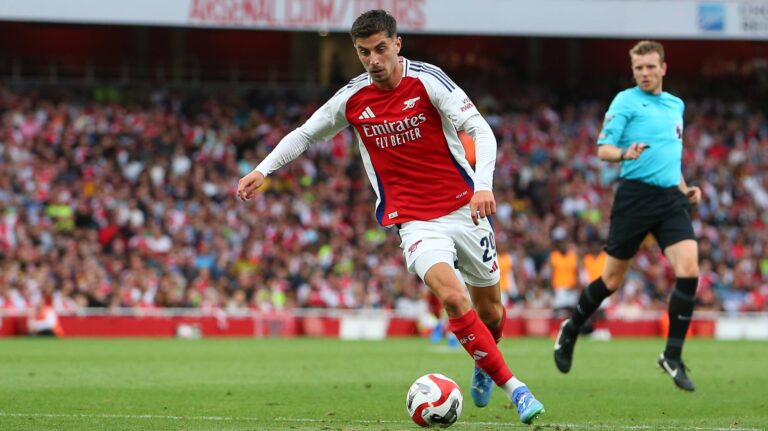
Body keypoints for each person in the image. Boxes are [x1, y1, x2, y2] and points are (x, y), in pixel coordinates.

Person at [237, 9, 544, 423]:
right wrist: (263, 169)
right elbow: (306, 133)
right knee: (452, 297)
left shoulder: (428, 81)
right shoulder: (352, 97)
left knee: (490, 312)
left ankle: (484, 359)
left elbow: (481, 130)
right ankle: (517, 389)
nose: (374, 59)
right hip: (415, 221)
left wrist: (484, 185)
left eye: (381, 48)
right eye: (365, 52)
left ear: (397, 44)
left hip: (463, 208)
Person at [553, 40, 702, 391]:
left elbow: (670, 155)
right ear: (633, 70)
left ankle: (672, 356)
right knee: (611, 281)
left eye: (651, 67)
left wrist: (684, 189)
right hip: (634, 198)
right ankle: (571, 328)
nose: (645, 74)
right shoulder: (625, 102)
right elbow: (602, 149)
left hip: (670, 199)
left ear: (663, 68)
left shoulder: (675, 105)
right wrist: (625, 153)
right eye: (639, 68)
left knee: (690, 269)